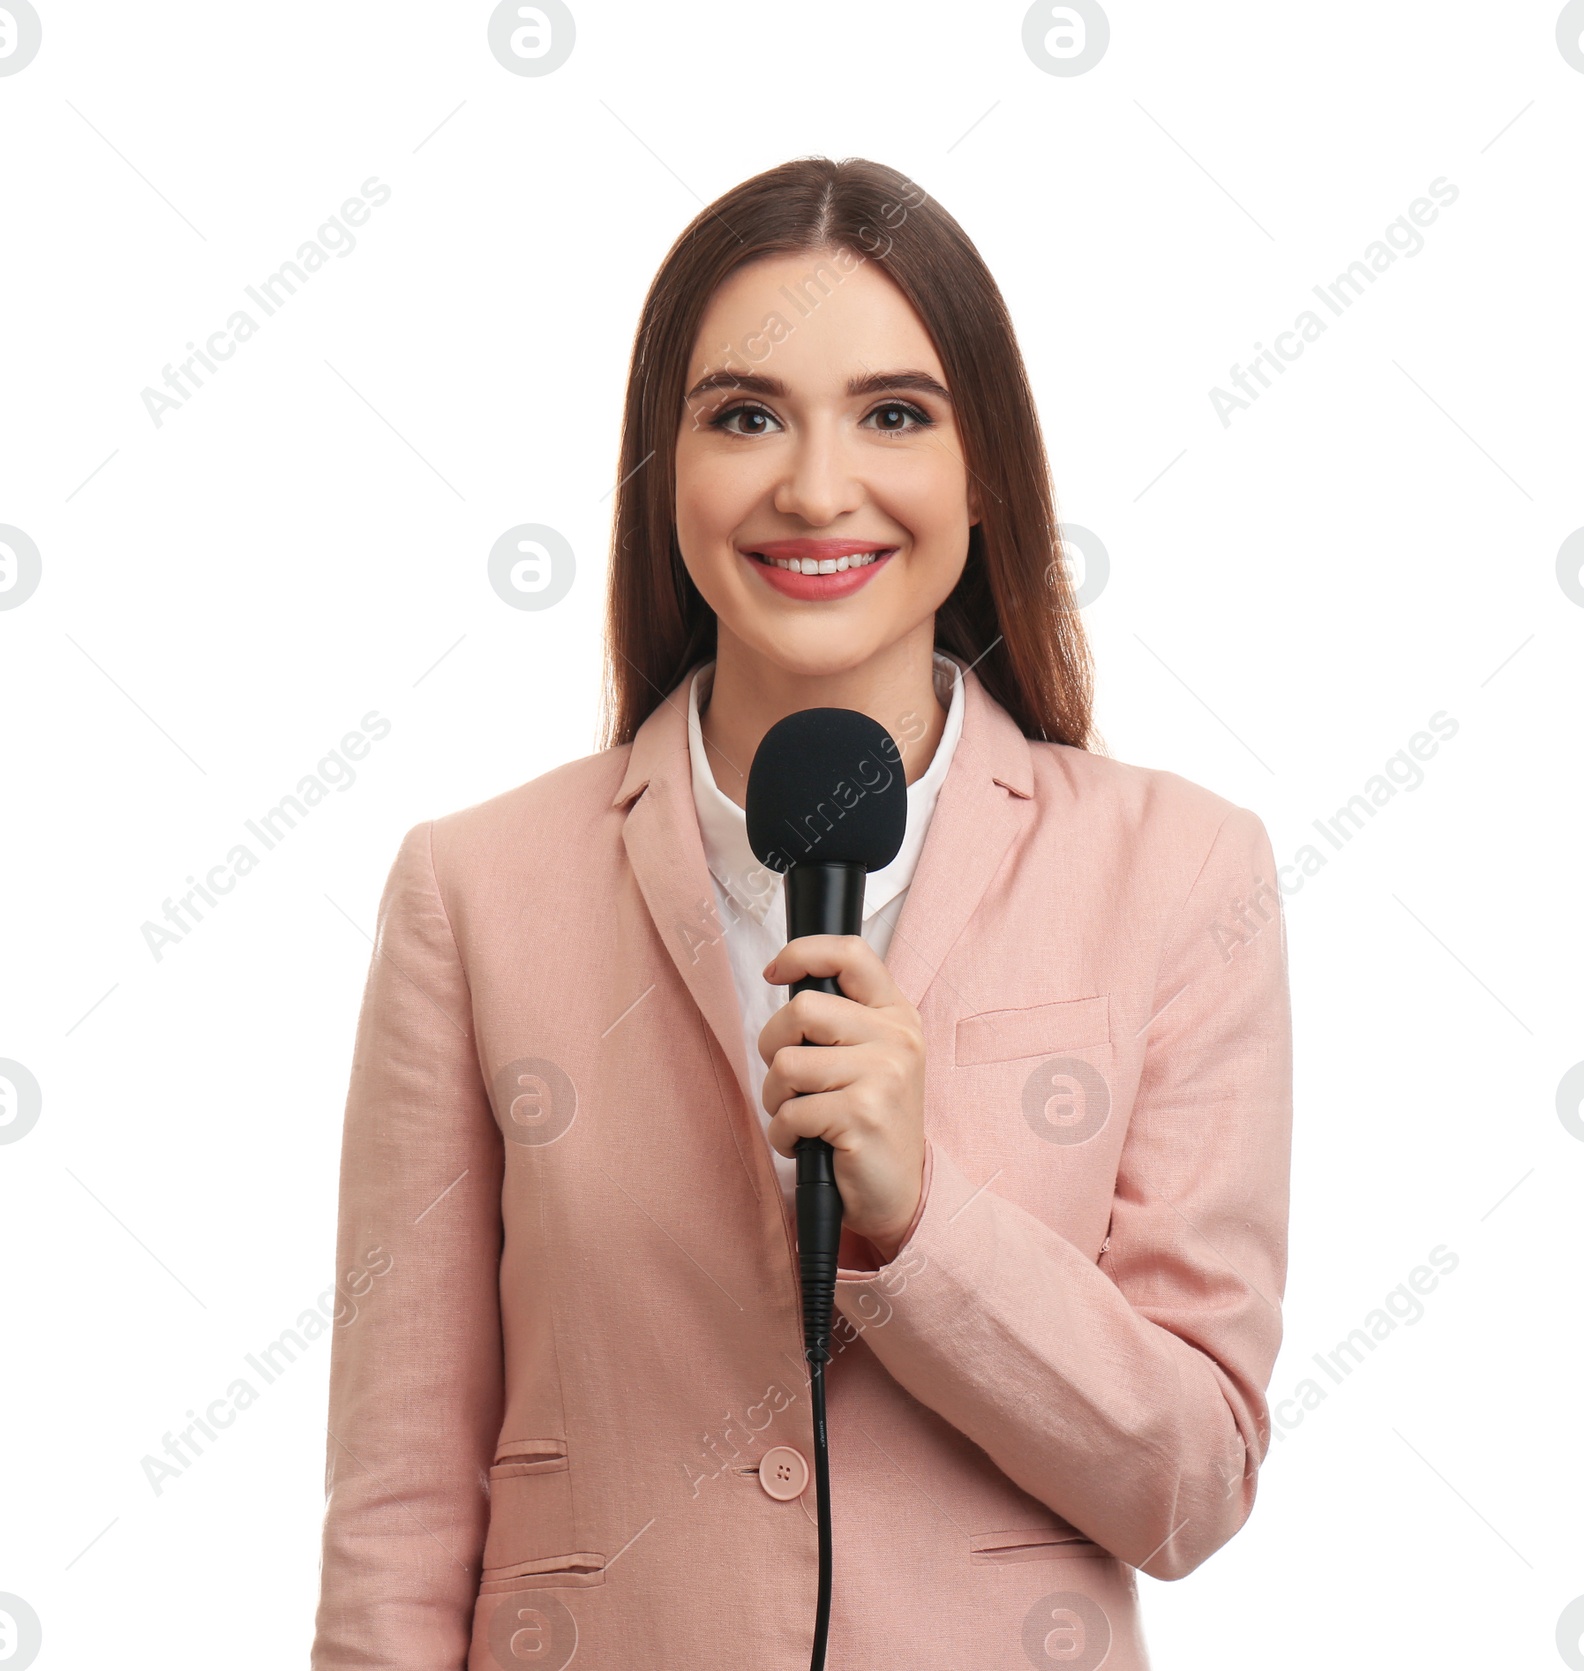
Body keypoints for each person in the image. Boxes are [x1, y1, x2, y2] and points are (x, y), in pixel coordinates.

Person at [311, 155, 1293, 1671]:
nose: (815, 486)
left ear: (986, 472)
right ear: (667, 464)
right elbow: (399, 1504)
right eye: (746, 415)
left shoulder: (1178, 873)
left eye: (894, 415)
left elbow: (1194, 1483)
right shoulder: (476, 894)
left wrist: (922, 1218)